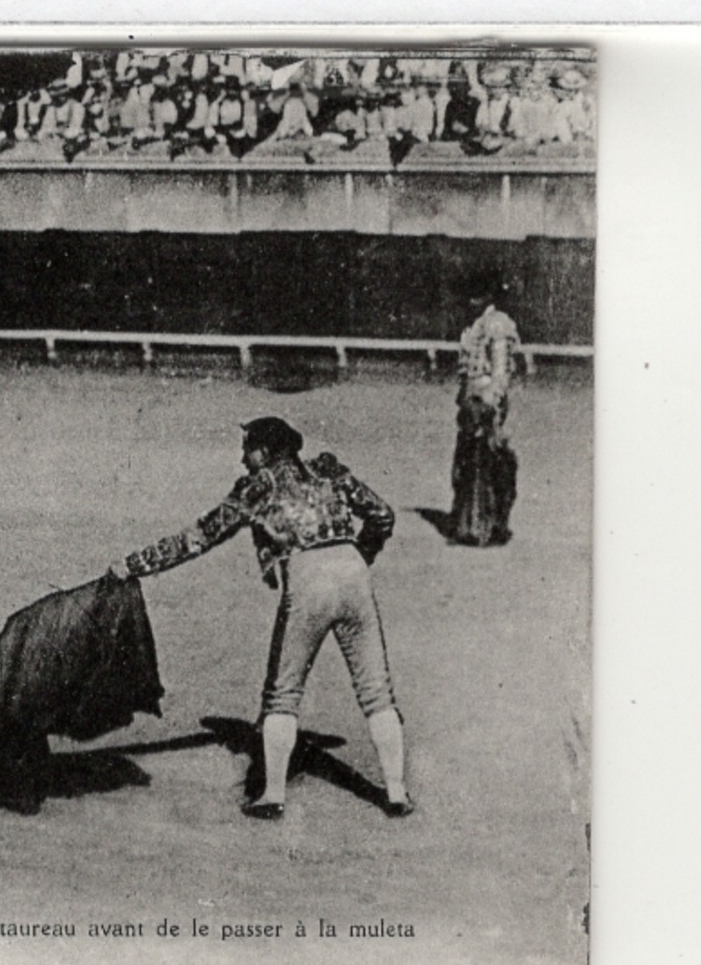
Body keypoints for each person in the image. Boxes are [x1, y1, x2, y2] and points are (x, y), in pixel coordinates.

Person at [110, 417, 412, 821]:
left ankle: (272, 794)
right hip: (353, 571)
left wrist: (134, 565)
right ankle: (395, 792)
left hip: (307, 575)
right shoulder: (328, 471)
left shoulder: (257, 488)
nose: (242, 457)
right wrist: (362, 555)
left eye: (247, 447)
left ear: (265, 452)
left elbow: (198, 538)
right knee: (376, 690)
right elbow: (383, 515)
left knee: (282, 693)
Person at [450, 272, 521, 546]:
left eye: (476, 295)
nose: (470, 300)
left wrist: (492, 402)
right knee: (468, 463)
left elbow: (501, 371)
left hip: (487, 401)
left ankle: (487, 526)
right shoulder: (475, 323)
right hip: (470, 399)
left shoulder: (498, 324)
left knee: (487, 462)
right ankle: (471, 525)